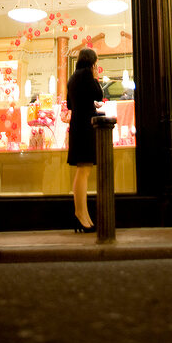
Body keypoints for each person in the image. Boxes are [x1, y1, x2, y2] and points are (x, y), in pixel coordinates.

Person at [66, 47, 103, 232]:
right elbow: (99, 94)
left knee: (82, 170)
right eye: (96, 62)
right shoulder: (87, 76)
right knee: (84, 171)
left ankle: (83, 215)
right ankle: (80, 215)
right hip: (86, 127)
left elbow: (70, 104)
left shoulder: (72, 78)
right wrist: (95, 76)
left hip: (77, 126)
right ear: (91, 61)